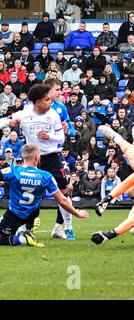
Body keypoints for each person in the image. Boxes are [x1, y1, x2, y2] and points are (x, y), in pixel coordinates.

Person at [6, 85, 81, 240]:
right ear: (37, 102)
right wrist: (10, 123)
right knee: (31, 193)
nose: (50, 102)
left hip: (52, 157)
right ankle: (26, 228)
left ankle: (66, 227)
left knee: (65, 190)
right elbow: (4, 121)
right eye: (47, 100)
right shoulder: (24, 114)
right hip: (33, 159)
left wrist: (49, 136)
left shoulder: (53, 115)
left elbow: (61, 138)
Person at [0, 143, 89, 248]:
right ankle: (29, 227)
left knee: (3, 238)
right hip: (32, 213)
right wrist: (77, 213)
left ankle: (24, 238)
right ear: (38, 157)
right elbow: (62, 200)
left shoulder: (13, 170)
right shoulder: (46, 176)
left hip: (14, 214)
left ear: (22, 156)